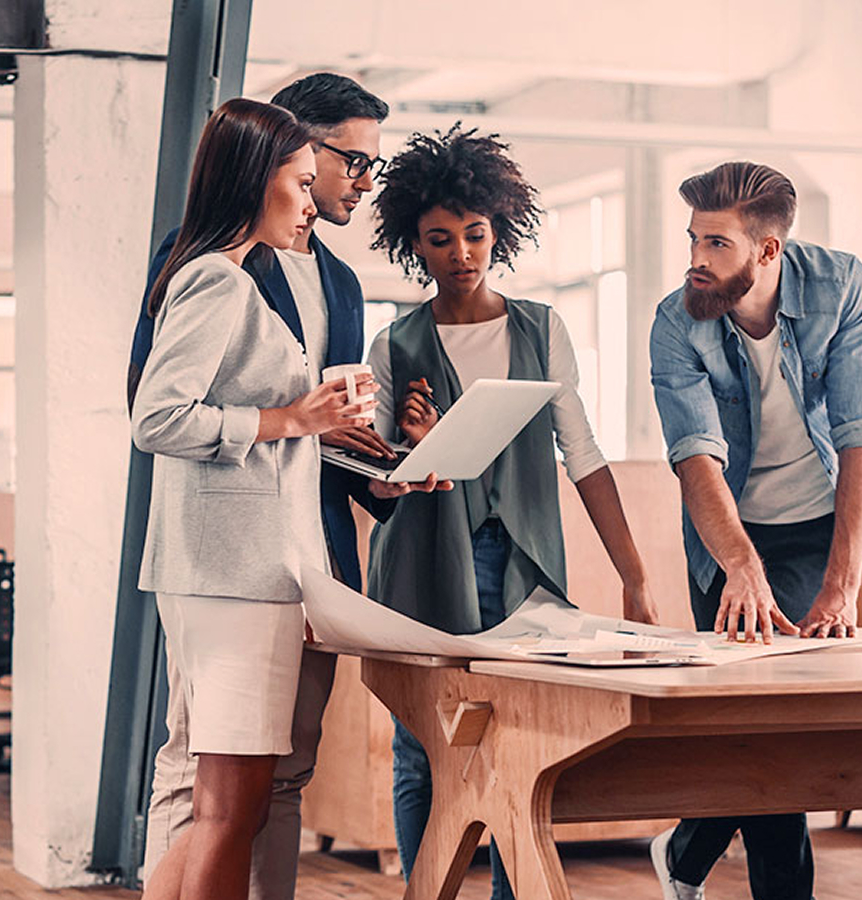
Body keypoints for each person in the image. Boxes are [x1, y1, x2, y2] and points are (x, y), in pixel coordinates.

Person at [131, 74, 447, 900]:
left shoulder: (338, 282)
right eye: (329, 168)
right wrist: (288, 420)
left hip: (299, 561)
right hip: (232, 565)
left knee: (260, 786)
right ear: (278, 154)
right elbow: (161, 413)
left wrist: (388, 466)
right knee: (213, 796)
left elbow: (311, 431)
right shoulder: (211, 270)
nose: (350, 187)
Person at [365, 125, 661, 899]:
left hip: (522, 562)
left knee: (523, 742)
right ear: (414, 247)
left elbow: (583, 452)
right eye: (439, 239)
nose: (461, 253)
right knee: (423, 744)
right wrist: (413, 448)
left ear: (499, 230)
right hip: (425, 569)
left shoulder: (541, 328)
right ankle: (430, 889)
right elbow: (381, 484)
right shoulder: (394, 345)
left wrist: (634, 576)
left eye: (474, 234)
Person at [646, 161, 862, 900]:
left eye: (716, 245)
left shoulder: (841, 288)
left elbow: (861, 437)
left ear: (767, 252)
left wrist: (842, 589)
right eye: (694, 239)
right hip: (729, 536)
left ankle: (684, 856)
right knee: (754, 739)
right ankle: (693, 859)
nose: (696, 260)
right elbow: (695, 458)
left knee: (779, 741)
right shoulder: (677, 320)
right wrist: (740, 565)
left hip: (823, 527)